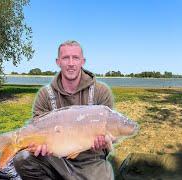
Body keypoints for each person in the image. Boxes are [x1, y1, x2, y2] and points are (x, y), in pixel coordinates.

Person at [12, 40, 115, 180]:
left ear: (82, 61)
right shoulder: (45, 94)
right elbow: (36, 128)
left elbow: (111, 134)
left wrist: (104, 142)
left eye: (76, 58)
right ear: (58, 61)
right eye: (66, 58)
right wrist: (37, 146)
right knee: (22, 158)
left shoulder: (101, 91)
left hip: (91, 161)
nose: (71, 63)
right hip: (54, 158)